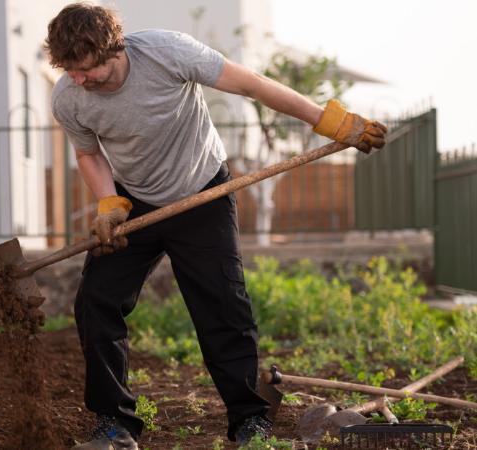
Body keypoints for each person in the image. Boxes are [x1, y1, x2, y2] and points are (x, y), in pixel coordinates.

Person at [45, 3, 387, 449]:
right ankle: (114, 423)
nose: (79, 80)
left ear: (115, 49)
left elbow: (254, 85)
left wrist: (329, 120)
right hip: (137, 205)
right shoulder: (68, 98)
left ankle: (249, 420)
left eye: (87, 70)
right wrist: (108, 203)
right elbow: (88, 153)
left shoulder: (168, 52)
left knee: (223, 307)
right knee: (95, 302)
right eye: (69, 71)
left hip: (202, 192)